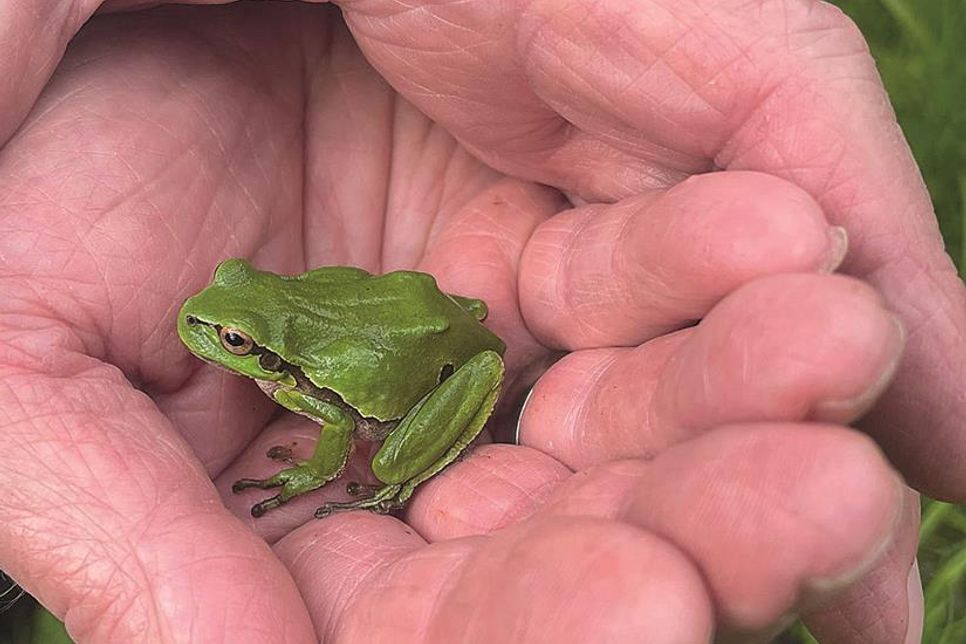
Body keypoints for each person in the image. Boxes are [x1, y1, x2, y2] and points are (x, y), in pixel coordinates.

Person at [0, 1, 959, 641]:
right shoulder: (279, 332)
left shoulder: (304, 381)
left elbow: (335, 423)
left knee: (377, 450)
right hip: (432, 311)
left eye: (236, 341)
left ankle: (392, 489)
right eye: (228, 327)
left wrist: (340, 475)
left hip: (438, 371)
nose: (211, 333)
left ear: (267, 357)